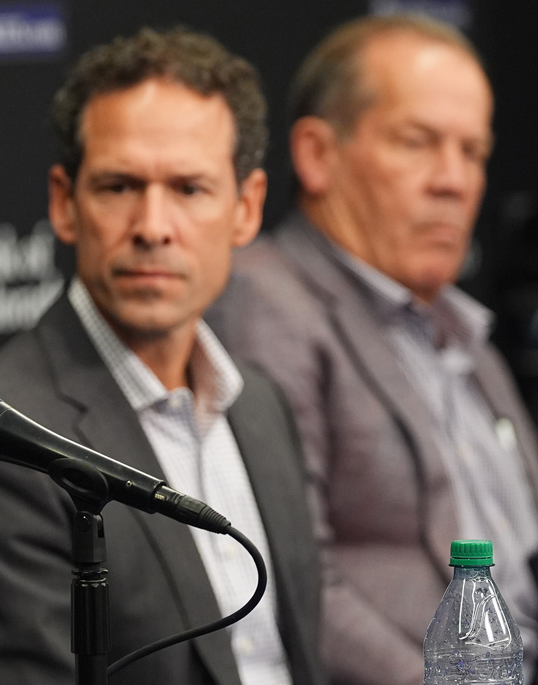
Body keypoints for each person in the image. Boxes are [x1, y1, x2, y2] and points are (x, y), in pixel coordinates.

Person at [0, 28, 325, 685]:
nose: (153, 226)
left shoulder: (261, 404)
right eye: (120, 186)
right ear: (66, 204)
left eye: (189, 189)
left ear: (247, 208)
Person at [205, 14, 538, 685]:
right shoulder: (268, 301)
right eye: (419, 143)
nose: (455, 180)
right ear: (317, 154)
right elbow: (294, 582)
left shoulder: (455, 322)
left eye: (473, 151)